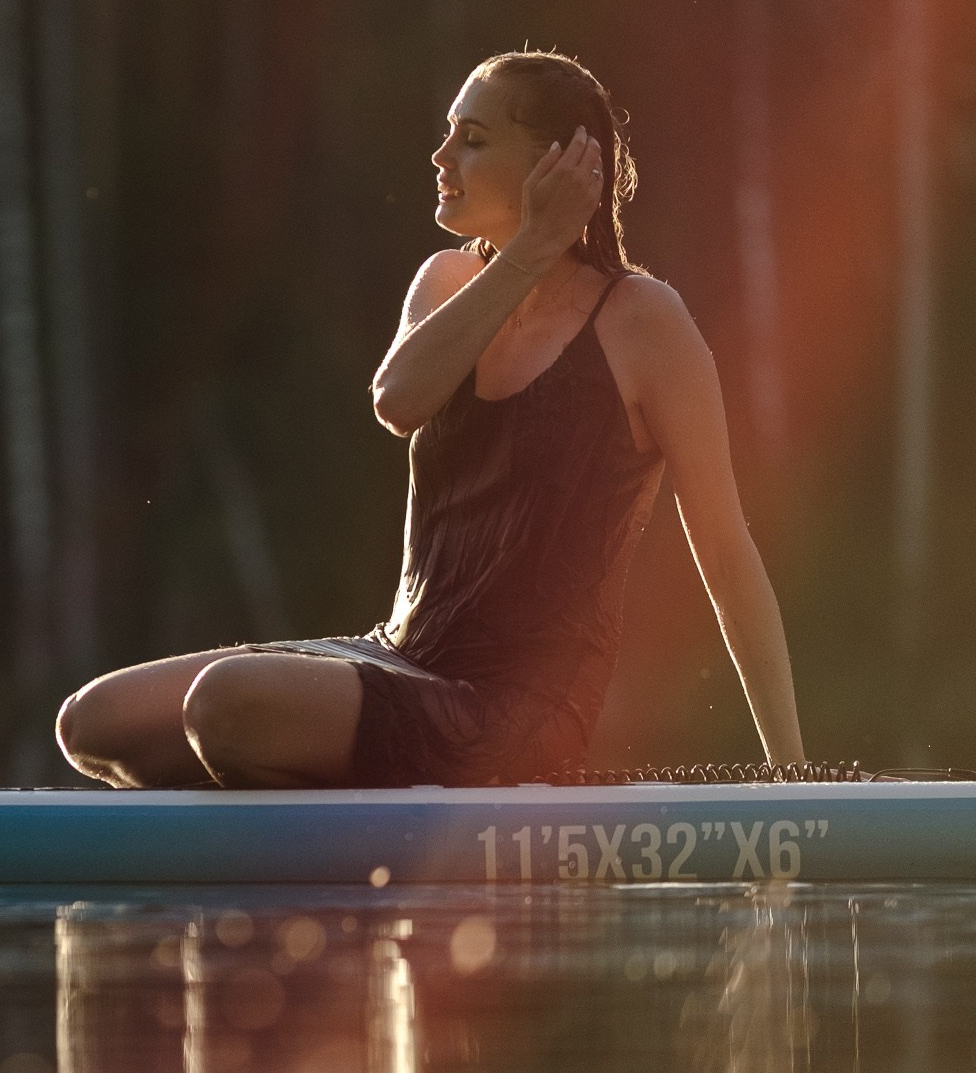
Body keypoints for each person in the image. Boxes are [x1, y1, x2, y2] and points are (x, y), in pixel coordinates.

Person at [56, 52, 804, 790]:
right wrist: (530, 251)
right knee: (94, 723)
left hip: (518, 708)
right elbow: (399, 402)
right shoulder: (447, 280)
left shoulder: (644, 320)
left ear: (556, 165)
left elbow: (726, 555)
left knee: (225, 703)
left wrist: (791, 778)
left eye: (473, 139)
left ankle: (317, 813)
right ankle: (314, 811)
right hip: (400, 659)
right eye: (450, 133)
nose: (443, 156)